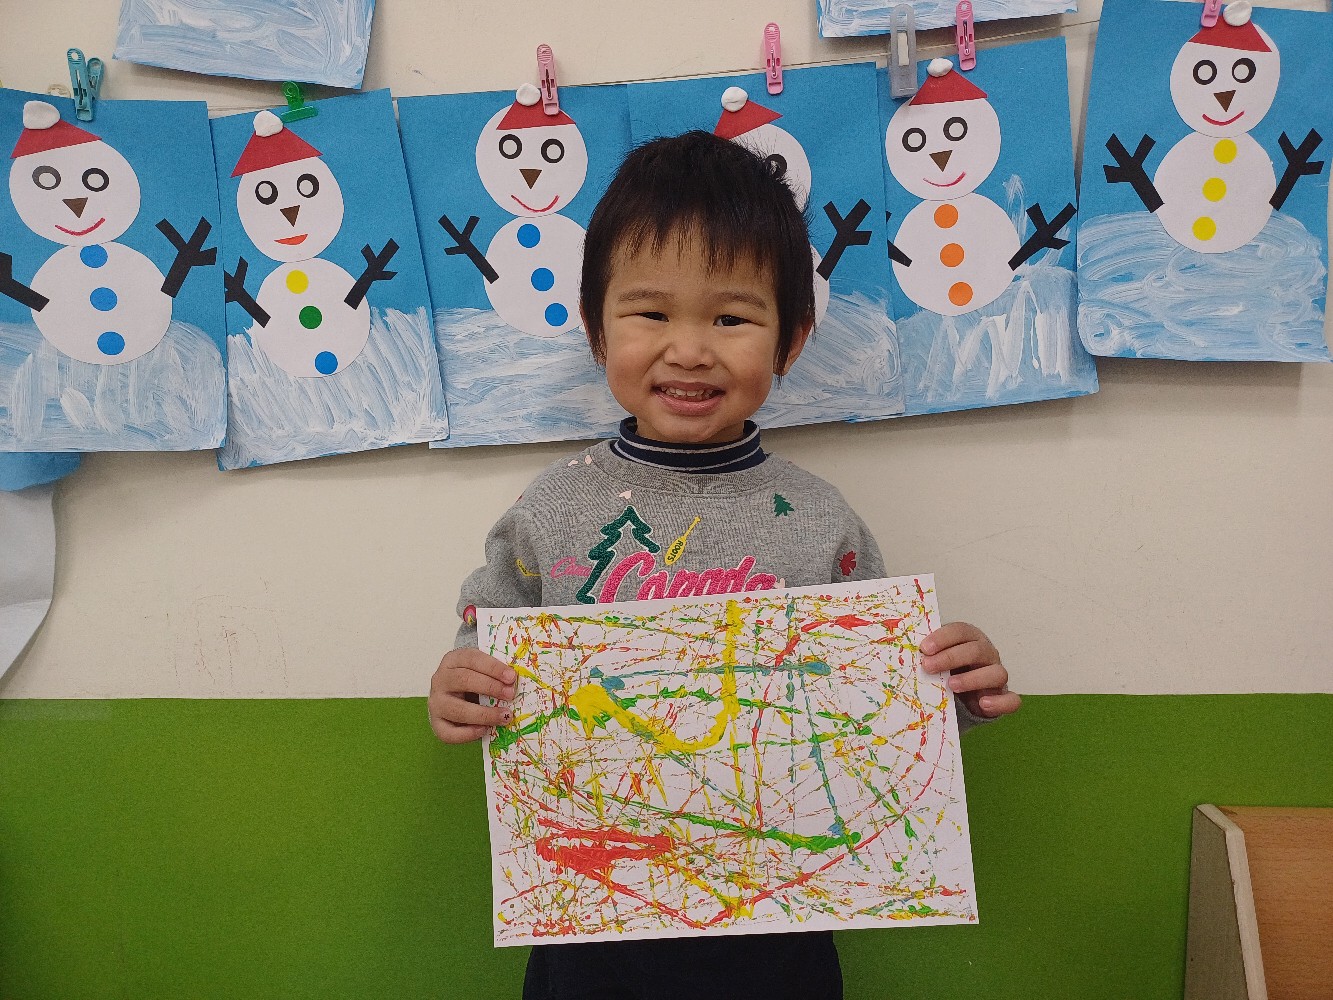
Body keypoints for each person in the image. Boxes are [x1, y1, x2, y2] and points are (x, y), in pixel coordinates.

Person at [428, 130, 1021, 1000]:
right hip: (591, 924)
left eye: (731, 318)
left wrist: (953, 695)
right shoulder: (550, 509)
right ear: (595, 329)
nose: (690, 350)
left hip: (781, 928)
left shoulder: (820, 519)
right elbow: (482, 647)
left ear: (790, 340)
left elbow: (880, 705)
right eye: (650, 314)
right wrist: (460, 685)